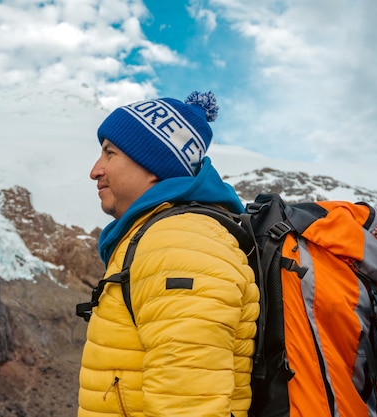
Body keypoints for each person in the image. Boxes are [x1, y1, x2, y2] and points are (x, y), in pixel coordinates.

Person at [77, 91, 260, 417]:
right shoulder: (161, 237)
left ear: (153, 165)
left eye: (110, 153)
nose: (95, 170)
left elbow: (188, 405)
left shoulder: (178, 244)